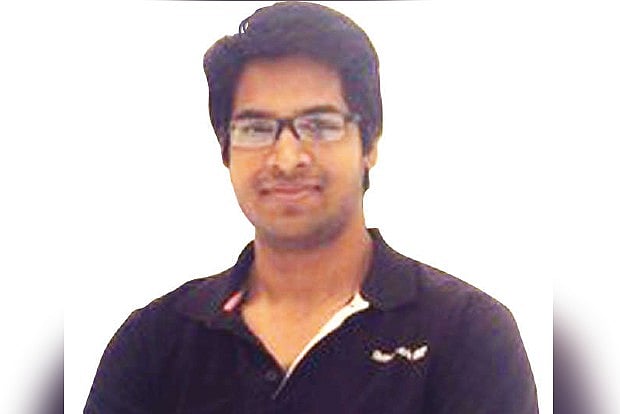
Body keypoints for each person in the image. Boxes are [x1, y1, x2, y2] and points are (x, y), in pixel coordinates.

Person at [84, 2, 538, 413]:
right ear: (226, 150)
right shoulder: (154, 342)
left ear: (369, 144)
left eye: (319, 125)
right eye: (256, 128)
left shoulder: (467, 335)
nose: (286, 159)